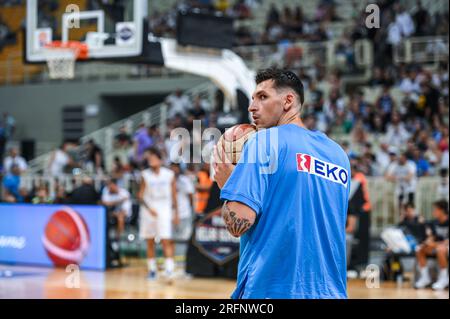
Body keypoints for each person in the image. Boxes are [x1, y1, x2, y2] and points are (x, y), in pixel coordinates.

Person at [213, 68, 351, 299]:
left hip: (272, 289)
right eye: (252, 99)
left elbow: (238, 225)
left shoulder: (264, 141)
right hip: (332, 291)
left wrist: (229, 185)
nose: (252, 107)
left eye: (263, 97)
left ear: (288, 101)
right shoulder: (338, 155)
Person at [137, 147, 179, 282]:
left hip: (165, 209)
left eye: (154, 158)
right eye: (150, 158)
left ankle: (169, 270)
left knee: (166, 240)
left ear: (160, 160)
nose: (151, 160)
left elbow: (174, 196)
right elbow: (140, 196)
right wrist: (149, 209)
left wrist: (176, 213)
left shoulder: (169, 174)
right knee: (150, 241)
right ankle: (152, 270)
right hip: (149, 210)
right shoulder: (145, 175)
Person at [415, 200, 449, 290]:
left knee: (440, 249)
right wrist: (427, 242)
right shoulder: (434, 222)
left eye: (435, 209)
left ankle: (444, 278)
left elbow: (447, 242)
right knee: (419, 249)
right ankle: (425, 278)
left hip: (445, 246)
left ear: (442, 210)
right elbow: (432, 236)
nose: (433, 212)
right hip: (438, 245)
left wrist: (434, 244)